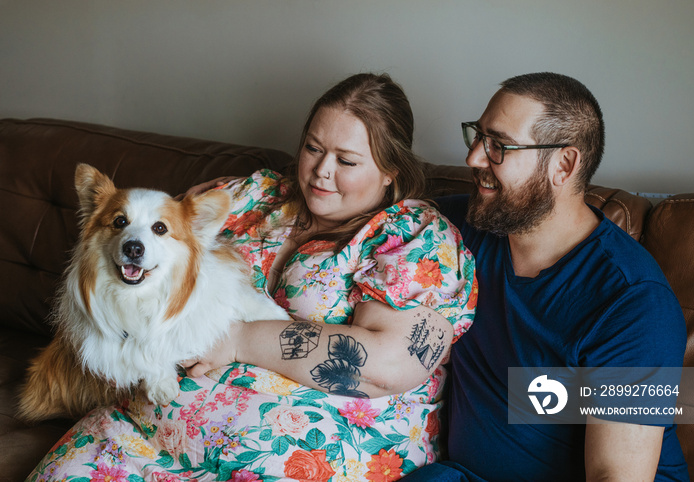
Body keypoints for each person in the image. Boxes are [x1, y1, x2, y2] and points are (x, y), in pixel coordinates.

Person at [27, 73, 476, 481]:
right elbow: (143, 245)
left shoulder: (413, 237)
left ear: (390, 170)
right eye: (314, 148)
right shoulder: (253, 196)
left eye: (347, 160)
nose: (321, 171)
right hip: (144, 429)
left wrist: (240, 339)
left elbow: (389, 366)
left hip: (299, 454)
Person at [403, 72, 688, 481]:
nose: (474, 159)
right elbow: (368, 214)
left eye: (499, 145)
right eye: (477, 136)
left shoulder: (632, 302)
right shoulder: (461, 230)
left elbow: (615, 474)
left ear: (564, 164)